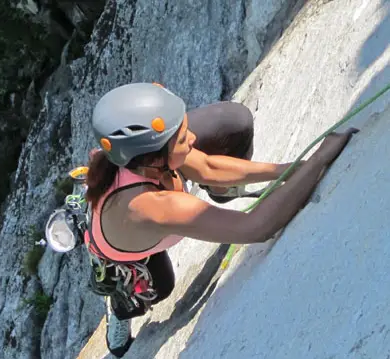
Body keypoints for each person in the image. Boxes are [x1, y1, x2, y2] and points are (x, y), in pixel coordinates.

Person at [84, 82, 358, 357]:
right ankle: (121, 306)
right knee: (160, 287)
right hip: (126, 253)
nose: (191, 138)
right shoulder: (151, 207)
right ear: (154, 158)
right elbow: (256, 227)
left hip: (141, 195)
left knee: (233, 121)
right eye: (181, 139)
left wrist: (290, 170)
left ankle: (221, 193)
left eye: (184, 129)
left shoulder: (143, 158)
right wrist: (320, 160)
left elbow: (208, 166)